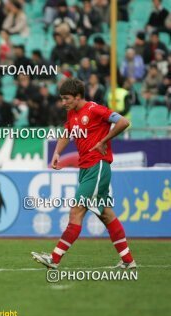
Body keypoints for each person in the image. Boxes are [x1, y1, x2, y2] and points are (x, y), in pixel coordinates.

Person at [31, 78, 136, 270]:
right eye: (62, 99)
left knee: (76, 211)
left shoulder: (95, 110)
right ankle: (128, 261)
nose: (64, 102)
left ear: (78, 97)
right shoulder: (72, 113)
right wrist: (57, 153)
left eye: (67, 98)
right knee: (106, 215)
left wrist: (104, 140)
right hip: (86, 169)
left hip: (98, 166)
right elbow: (67, 133)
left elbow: (123, 122)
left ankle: (54, 259)